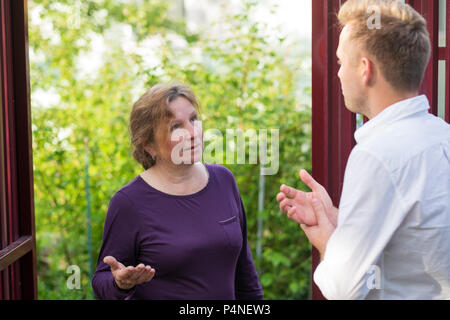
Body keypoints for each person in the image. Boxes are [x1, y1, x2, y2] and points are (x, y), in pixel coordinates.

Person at [277, 0, 450, 299]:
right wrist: (339, 219)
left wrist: (328, 241)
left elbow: (345, 289)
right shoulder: (442, 136)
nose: (339, 73)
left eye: (342, 62)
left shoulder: (376, 154)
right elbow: (413, 239)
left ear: (365, 69)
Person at [92, 83, 263, 300]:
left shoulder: (224, 181)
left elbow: (245, 273)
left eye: (193, 119)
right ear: (149, 145)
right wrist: (119, 283)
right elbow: (101, 281)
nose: (193, 133)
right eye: (176, 127)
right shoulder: (129, 203)